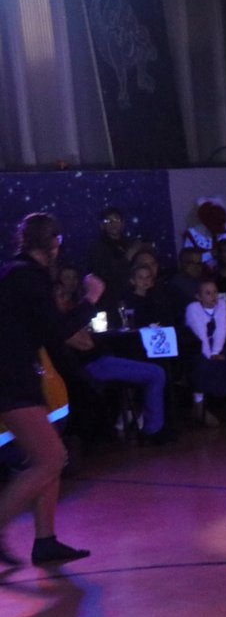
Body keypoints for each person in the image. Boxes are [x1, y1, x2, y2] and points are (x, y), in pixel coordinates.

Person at [1, 213, 103, 566]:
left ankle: (45, 541)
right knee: (51, 459)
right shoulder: (28, 276)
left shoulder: (14, 273)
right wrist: (91, 299)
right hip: (11, 378)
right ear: (53, 243)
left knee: (46, 458)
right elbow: (56, 330)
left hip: (15, 375)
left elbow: (43, 330)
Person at [183, 277, 226, 425]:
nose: (213, 296)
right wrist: (209, 355)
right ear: (198, 296)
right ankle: (199, 405)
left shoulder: (221, 305)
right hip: (197, 347)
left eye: (215, 292)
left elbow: (221, 329)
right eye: (207, 293)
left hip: (216, 346)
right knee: (202, 366)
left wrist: (216, 352)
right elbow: (200, 334)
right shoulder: (193, 309)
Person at [85, 206, 141, 318]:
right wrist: (126, 258)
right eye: (108, 221)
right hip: (109, 299)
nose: (113, 223)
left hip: (132, 294)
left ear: (123, 223)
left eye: (116, 219)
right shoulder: (97, 247)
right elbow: (103, 273)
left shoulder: (131, 243)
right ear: (102, 225)